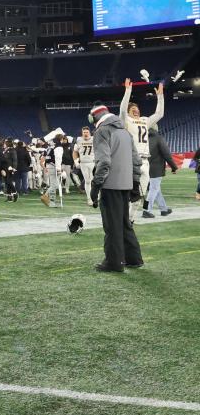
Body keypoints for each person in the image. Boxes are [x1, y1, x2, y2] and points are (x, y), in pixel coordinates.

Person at [88, 102, 143, 272]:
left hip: (110, 184)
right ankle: (133, 258)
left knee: (112, 225)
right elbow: (136, 161)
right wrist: (135, 184)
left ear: (94, 117)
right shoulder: (125, 132)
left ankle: (114, 262)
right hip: (126, 184)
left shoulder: (101, 132)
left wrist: (95, 186)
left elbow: (104, 162)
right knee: (124, 222)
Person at [120, 78, 164, 223]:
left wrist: (160, 96)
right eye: (133, 109)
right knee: (130, 194)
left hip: (146, 161)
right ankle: (124, 220)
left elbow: (159, 114)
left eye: (137, 109)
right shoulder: (126, 120)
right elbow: (122, 110)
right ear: (128, 112)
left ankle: (129, 221)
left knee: (139, 196)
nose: (136, 110)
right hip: (132, 160)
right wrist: (128, 91)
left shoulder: (145, 120)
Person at [143, 126, 177, 217]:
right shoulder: (159, 138)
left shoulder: (143, 138)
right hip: (156, 169)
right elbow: (167, 154)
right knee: (153, 189)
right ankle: (146, 210)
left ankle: (163, 209)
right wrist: (174, 167)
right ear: (156, 128)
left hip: (145, 168)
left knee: (156, 190)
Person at [40, 135, 64, 208]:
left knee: (53, 184)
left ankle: (52, 202)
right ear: (61, 139)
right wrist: (58, 168)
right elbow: (58, 158)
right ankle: (45, 195)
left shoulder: (51, 146)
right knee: (55, 185)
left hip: (49, 165)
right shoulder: (58, 147)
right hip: (54, 166)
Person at [74, 126, 96, 206]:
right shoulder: (79, 140)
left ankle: (95, 197)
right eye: (84, 132)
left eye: (87, 132)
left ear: (89, 132)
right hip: (83, 163)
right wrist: (76, 161)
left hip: (92, 162)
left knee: (94, 180)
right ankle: (89, 198)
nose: (85, 134)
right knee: (87, 181)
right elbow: (75, 152)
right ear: (82, 133)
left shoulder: (94, 139)